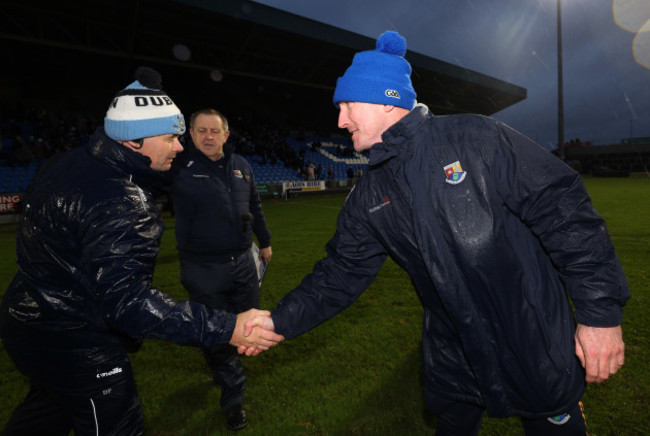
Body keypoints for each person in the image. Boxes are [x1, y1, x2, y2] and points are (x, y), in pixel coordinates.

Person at [249, 31, 629, 435]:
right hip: (453, 356)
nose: (339, 119)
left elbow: (566, 214)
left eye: (347, 104)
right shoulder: (369, 194)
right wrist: (279, 322)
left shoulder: (477, 138)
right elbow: (340, 274)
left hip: (535, 342)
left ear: (385, 99)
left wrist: (600, 315)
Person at [0, 67, 282, 436]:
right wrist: (227, 327)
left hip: (28, 322)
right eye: (170, 138)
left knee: (46, 411)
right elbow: (128, 302)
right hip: (78, 340)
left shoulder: (66, 163)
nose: (179, 148)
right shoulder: (123, 199)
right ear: (133, 142)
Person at [167, 108, 273, 431]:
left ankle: (221, 365)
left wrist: (265, 242)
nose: (208, 137)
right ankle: (233, 398)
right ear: (191, 135)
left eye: (215, 131)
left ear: (226, 135)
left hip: (243, 263)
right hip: (203, 269)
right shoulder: (177, 169)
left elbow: (254, 205)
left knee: (249, 325)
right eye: (201, 131)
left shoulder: (241, 166)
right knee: (220, 331)